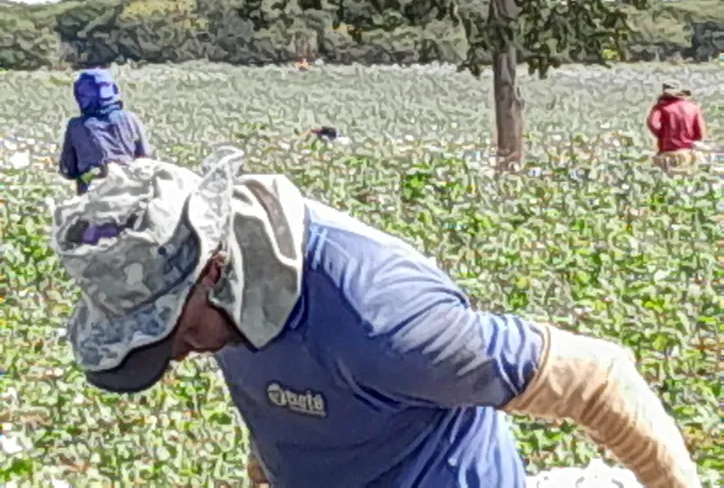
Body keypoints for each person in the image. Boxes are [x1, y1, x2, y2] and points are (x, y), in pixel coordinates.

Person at [50, 146, 701, 488]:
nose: (177, 352)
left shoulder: (383, 321)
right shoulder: (220, 298)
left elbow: (601, 377)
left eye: (171, 327)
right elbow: (280, 396)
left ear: (216, 267)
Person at [59, 68, 154, 195]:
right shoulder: (131, 118)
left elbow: (68, 170)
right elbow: (146, 156)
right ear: (113, 90)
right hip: (131, 188)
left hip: (94, 191)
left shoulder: (76, 125)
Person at [647, 81, 707, 173]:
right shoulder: (693, 108)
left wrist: (663, 135)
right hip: (688, 154)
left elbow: (653, 124)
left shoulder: (661, 108)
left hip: (667, 154)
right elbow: (701, 135)